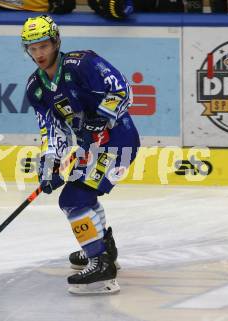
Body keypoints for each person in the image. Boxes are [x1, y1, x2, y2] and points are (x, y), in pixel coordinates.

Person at [21, 15, 140, 294]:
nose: (39, 54)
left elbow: (122, 89)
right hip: (90, 149)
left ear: (55, 42)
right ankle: (102, 250)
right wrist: (50, 164)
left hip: (118, 140)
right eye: (32, 48)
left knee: (74, 198)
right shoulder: (36, 88)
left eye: (43, 46)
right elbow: (52, 131)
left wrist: (98, 119)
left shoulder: (83, 63)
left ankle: (101, 266)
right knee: (79, 197)